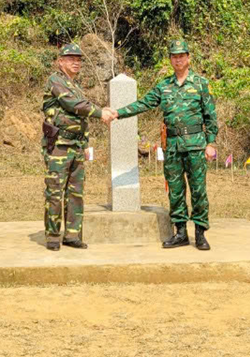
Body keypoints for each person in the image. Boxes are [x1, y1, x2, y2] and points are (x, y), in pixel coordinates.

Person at [115, 39, 218, 250]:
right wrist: (118, 113)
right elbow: (143, 103)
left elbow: (211, 116)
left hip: (196, 145)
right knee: (175, 190)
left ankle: (200, 233)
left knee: (198, 190)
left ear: (188, 58)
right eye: (174, 56)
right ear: (171, 60)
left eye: (181, 56)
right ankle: (180, 232)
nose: (178, 59)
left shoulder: (200, 83)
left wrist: (211, 143)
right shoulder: (164, 86)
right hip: (172, 146)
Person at [39, 44, 115, 250]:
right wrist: (101, 113)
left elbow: (82, 110)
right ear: (60, 61)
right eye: (70, 58)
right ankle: (53, 236)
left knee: (75, 192)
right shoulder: (56, 80)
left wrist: (101, 111)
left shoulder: (74, 85)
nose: (75, 62)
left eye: (78, 59)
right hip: (59, 146)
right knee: (55, 191)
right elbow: (73, 105)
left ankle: (72, 235)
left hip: (77, 145)